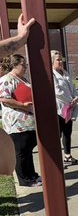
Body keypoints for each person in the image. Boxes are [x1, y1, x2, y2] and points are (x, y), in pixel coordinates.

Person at [0, 55, 39, 186]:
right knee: (21, 151)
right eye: (23, 65)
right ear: (15, 65)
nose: (25, 68)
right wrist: (21, 105)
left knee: (28, 149)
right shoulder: (7, 79)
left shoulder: (22, 79)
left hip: (28, 121)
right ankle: (25, 179)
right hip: (16, 122)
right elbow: (4, 99)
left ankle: (32, 174)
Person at [51, 50, 78, 166]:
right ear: (52, 61)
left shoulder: (65, 73)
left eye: (61, 59)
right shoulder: (52, 74)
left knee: (68, 132)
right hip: (59, 108)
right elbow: (57, 92)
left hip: (69, 108)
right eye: (58, 60)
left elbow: (72, 87)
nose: (60, 62)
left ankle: (67, 155)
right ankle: (56, 158)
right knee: (57, 134)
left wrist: (76, 98)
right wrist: (70, 101)